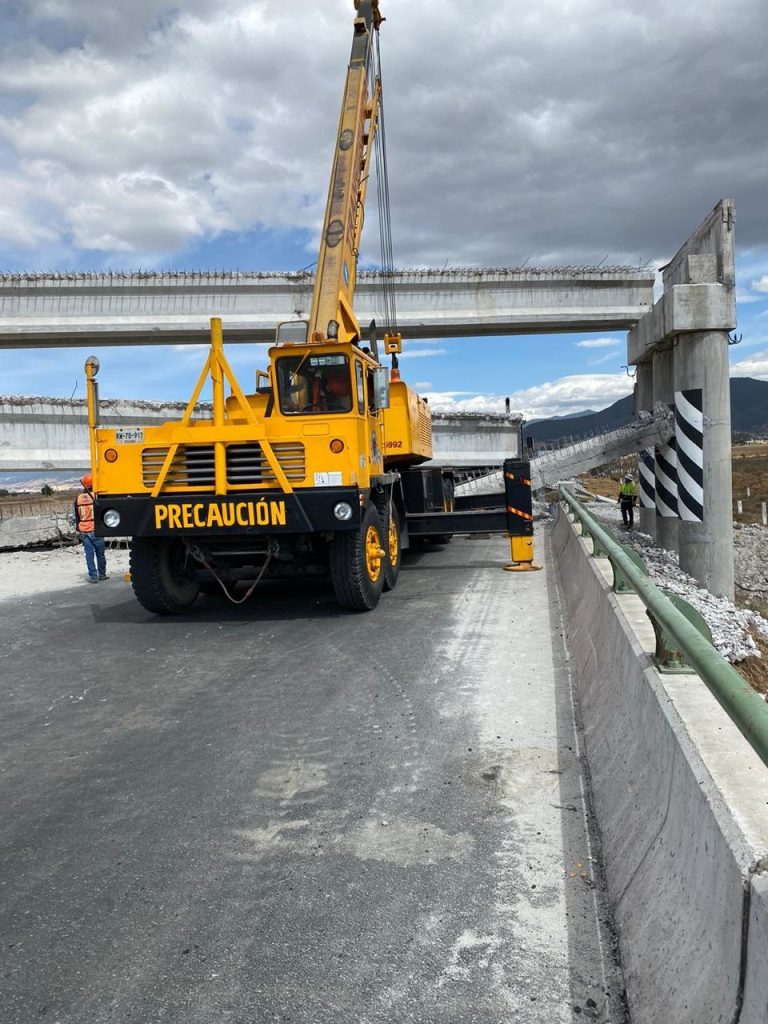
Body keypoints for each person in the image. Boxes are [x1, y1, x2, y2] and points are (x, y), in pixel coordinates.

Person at [74, 473, 108, 583]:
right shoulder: (96, 497)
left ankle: (93, 577)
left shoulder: (78, 499)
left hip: (84, 529)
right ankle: (102, 574)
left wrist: (79, 528)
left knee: (89, 554)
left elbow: (77, 516)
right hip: (95, 529)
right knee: (100, 553)